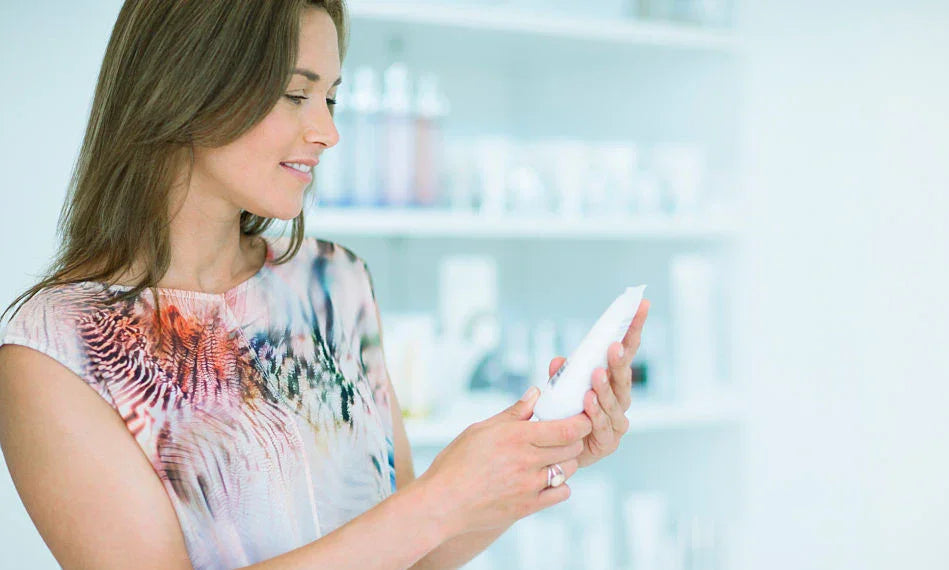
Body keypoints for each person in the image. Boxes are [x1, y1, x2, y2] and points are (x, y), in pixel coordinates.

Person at [0, 1, 651, 568]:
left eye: (331, 97)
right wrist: (440, 497)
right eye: (295, 94)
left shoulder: (333, 284)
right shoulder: (54, 353)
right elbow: (419, 519)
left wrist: (539, 457)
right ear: (185, 85)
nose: (328, 132)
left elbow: (412, 555)